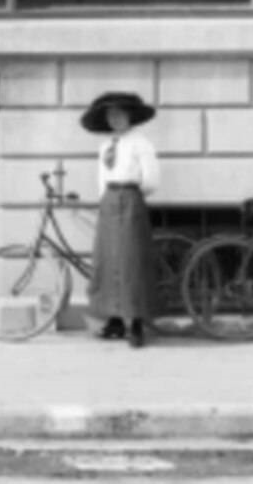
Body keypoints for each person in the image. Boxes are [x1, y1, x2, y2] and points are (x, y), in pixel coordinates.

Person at [82, 90, 160, 349]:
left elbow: (151, 180)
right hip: (109, 201)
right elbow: (102, 178)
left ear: (130, 116)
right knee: (107, 260)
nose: (115, 119)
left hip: (130, 199)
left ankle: (136, 323)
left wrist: (131, 195)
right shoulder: (106, 147)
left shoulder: (141, 143)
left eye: (119, 114)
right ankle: (114, 320)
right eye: (110, 115)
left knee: (130, 260)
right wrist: (106, 200)